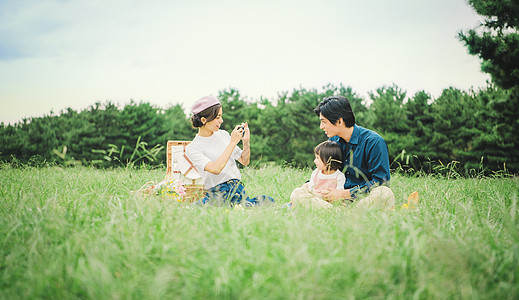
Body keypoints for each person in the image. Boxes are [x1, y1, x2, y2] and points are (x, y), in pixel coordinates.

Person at [185, 96, 273, 206]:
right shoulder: (193, 147)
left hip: (237, 190)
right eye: (217, 117)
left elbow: (244, 161)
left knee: (267, 201)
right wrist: (232, 142)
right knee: (195, 209)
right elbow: (215, 168)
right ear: (203, 120)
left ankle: (239, 205)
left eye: (221, 116)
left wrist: (246, 142)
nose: (221, 121)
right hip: (217, 193)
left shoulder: (223, 135)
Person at [313, 96, 395, 209]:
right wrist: (310, 186)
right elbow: (324, 170)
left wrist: (344, 194)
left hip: (362, 199)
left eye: (324, 122)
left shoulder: (373, 142)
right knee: (298, 193)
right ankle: (336, 213)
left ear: (339, 121)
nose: (321, 127)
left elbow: (381, 182)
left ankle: (348, 214)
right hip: (333, 199)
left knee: (384, 193)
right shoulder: (332, 141)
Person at [289, 141, 346, 208]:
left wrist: (327, 193)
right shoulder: (316, 173)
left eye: (317, 158)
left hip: (328, 201)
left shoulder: (339, 176)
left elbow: (339, 194)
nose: (315, 161)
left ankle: (329, 208)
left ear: (328, 160)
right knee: (297, 192)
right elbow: (311, 188)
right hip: (315, 197)